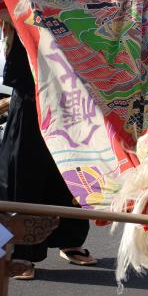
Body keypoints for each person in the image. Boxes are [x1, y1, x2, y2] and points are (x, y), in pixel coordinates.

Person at [0, 27, 97, 280]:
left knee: (72, 165)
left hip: (75, 64)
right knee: (25, 164)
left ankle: (70, 237)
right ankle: (21, 248)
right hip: (33, 58)